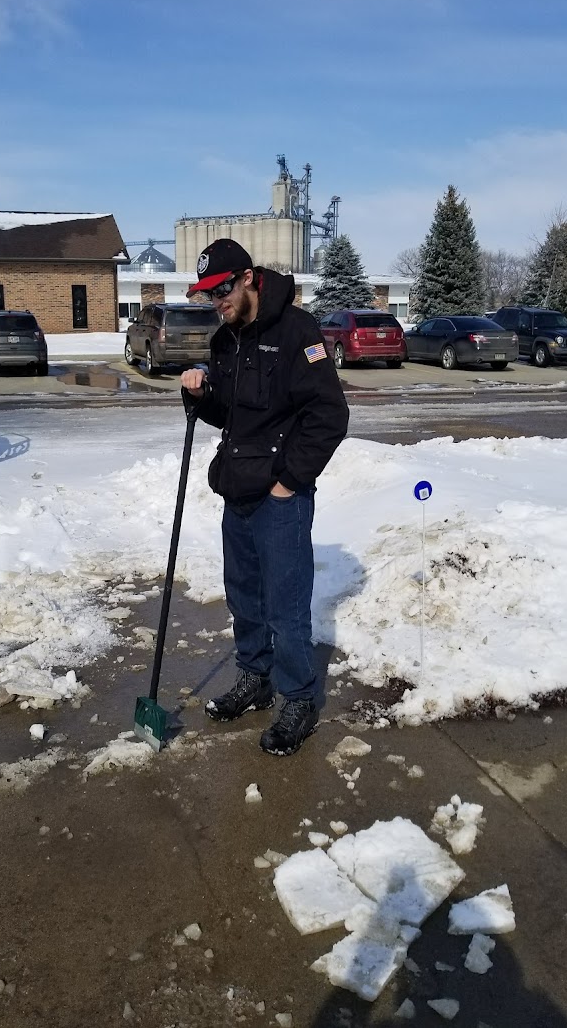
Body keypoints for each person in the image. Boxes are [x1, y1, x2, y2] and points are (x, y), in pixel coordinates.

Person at [180, 239, 349, 756]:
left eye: (222, 290)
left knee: (286, 604)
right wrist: (201, 395)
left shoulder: (298, 332)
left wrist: (288, 483)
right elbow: (231, 413)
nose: (217, 303)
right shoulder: (225, 340)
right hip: (237, 491)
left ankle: (297, 697)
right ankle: (256, 677)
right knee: (245, 597)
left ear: (249, 278)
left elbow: (329, 416)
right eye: (209, 295)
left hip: (280, 499)